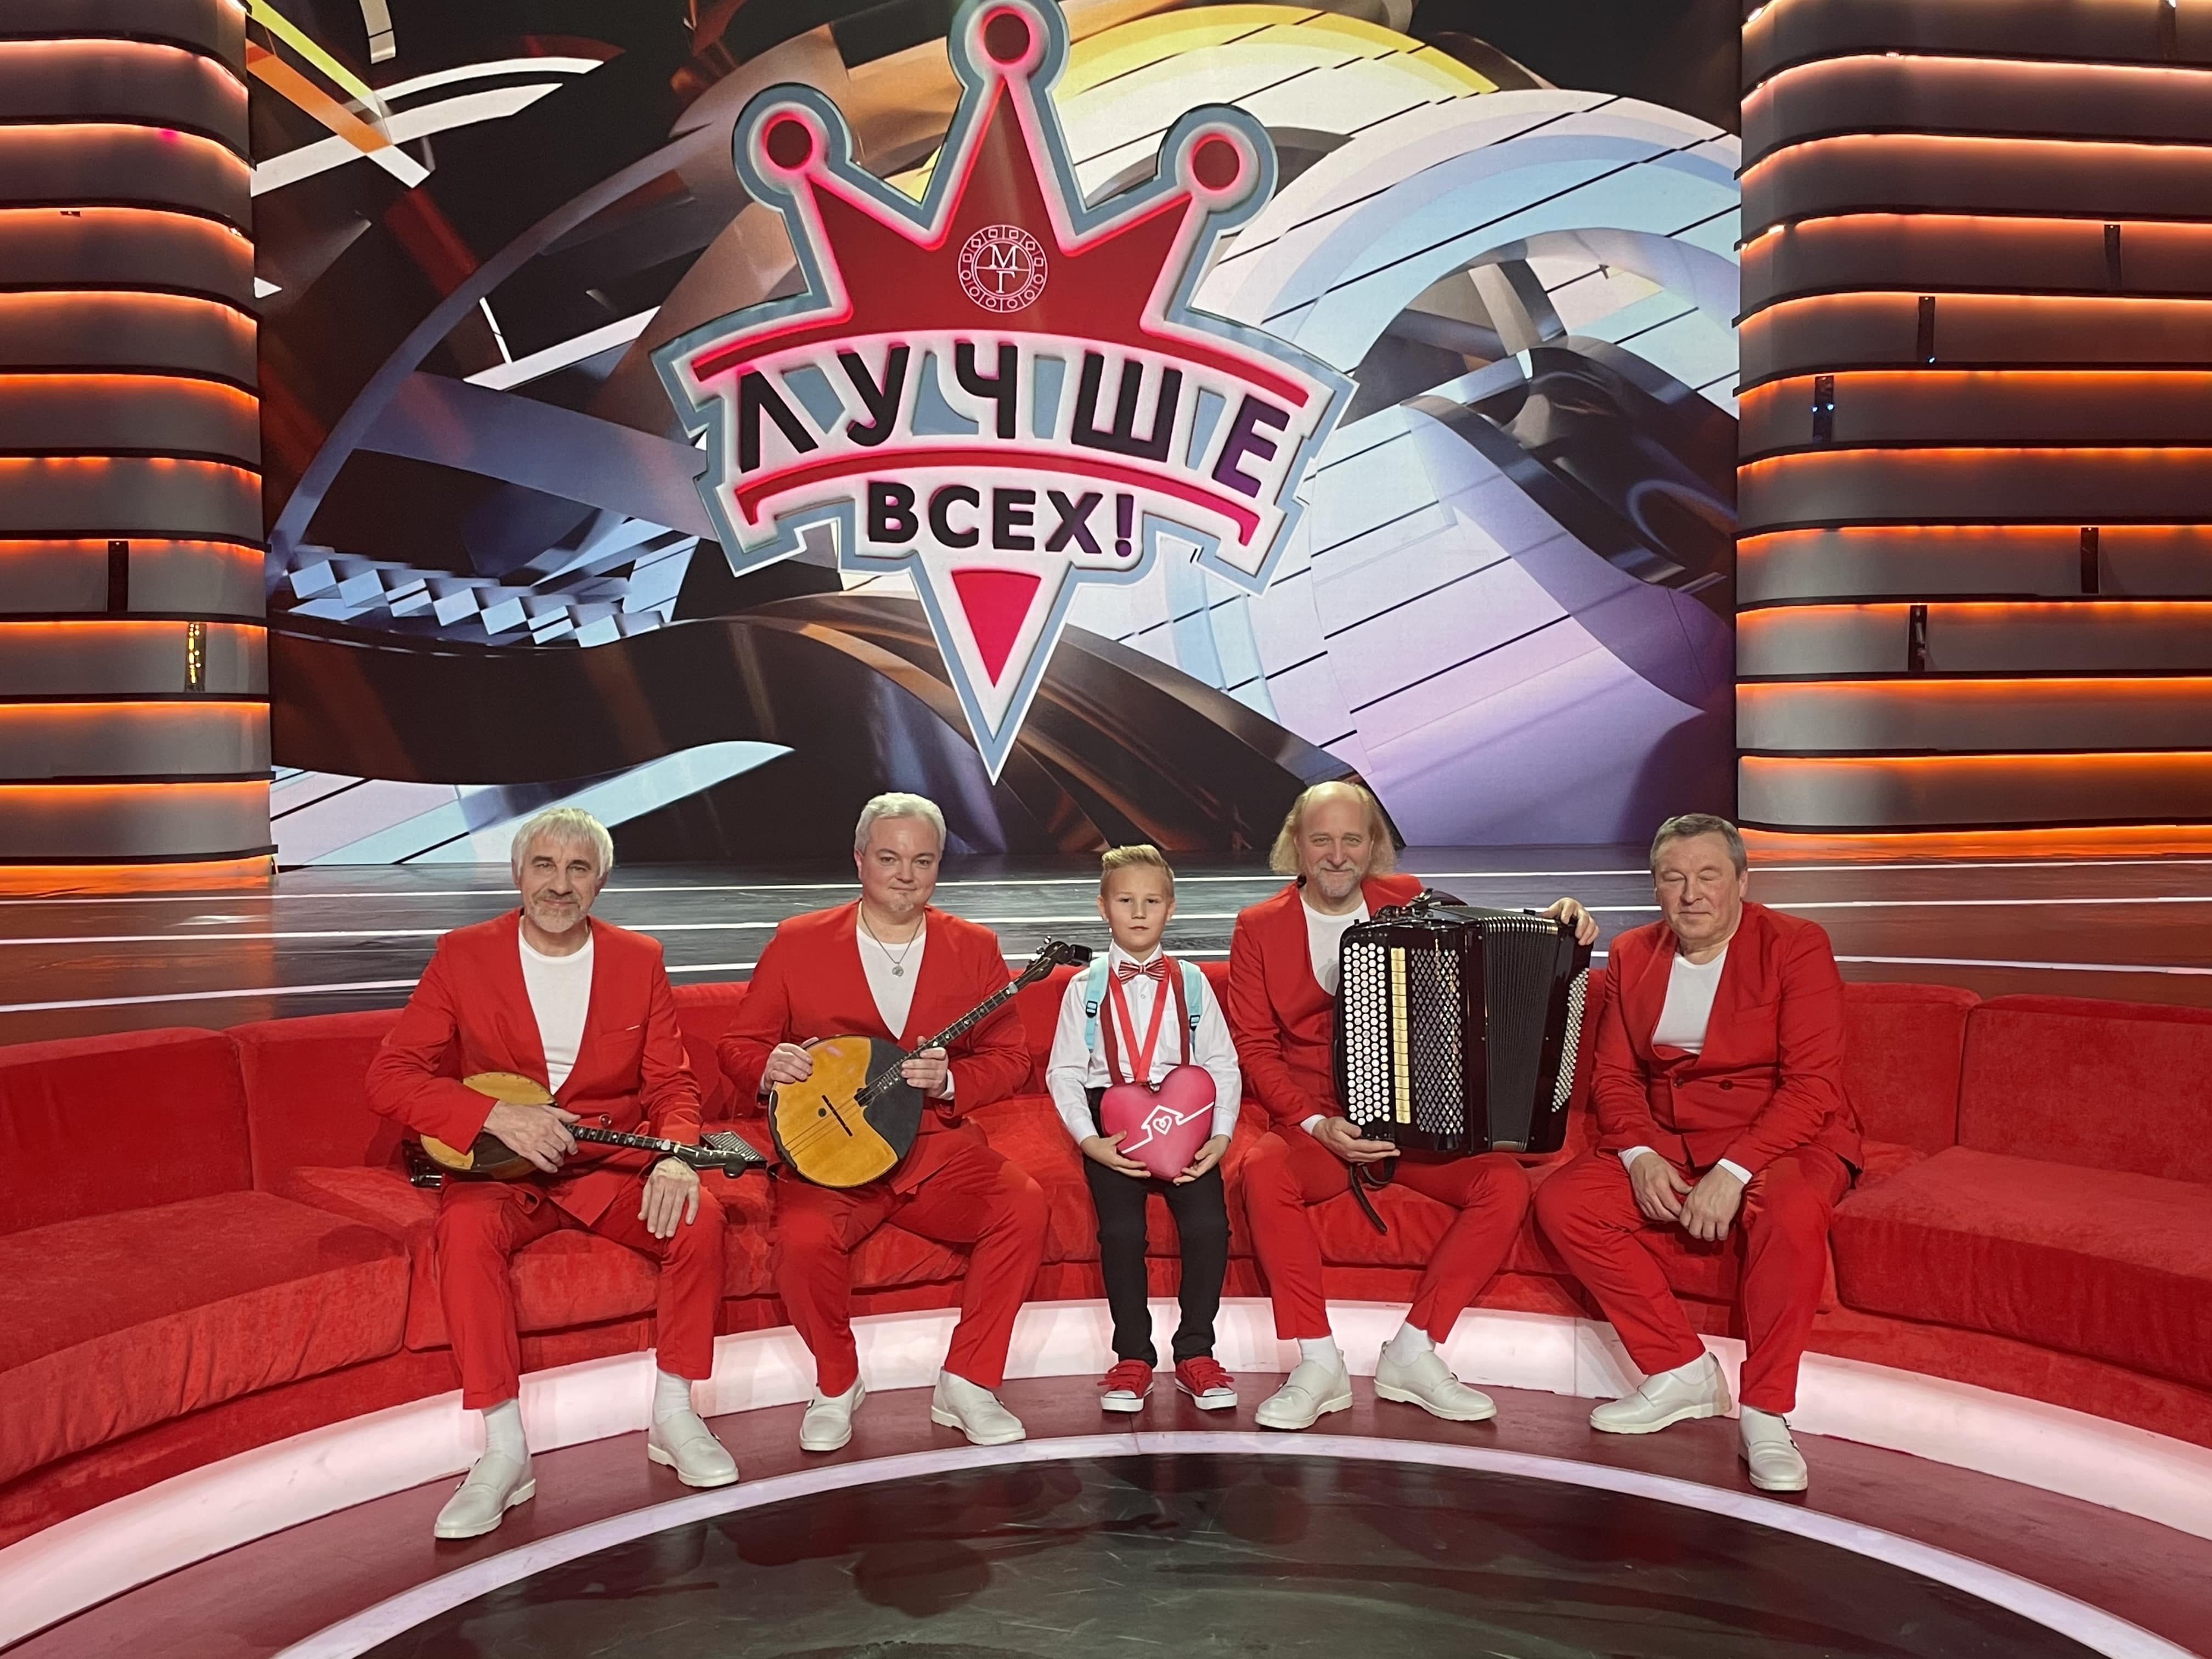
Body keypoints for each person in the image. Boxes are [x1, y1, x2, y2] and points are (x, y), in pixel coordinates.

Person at [365, 807, 737, 1541]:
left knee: (701, 1219)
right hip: (502, 1171)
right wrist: (492, 1115)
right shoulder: (463, 955)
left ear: (600, 882)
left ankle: (675, 1416)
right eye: (544, 866)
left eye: (577, 869)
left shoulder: (639, 959)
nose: (559, 885)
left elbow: (672, 1085)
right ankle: (503, 1450)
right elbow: (389, 1077)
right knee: (463, 1232)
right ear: (517, 874)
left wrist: (676, 1154)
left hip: (604, 1165)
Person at [1226, 781, 1597, 1430]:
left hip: (1418, 1122)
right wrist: (1319, 1125)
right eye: (1321, 840)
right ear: (1296, 846)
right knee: (1263, 1171)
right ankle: (1318, 1363)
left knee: (1503, 1184)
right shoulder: (1258, 927)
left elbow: (1483, 938)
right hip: (1320, 1123)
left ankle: (1414, 1352)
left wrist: (1555, 918)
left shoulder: (1407, 898)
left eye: (1352, 840)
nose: (1337, 855)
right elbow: (1255, 1049)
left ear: (1372, 845)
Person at [1532, 814, 1859, 1493]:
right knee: (1566, 1203)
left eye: (1709, 876)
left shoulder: (1796, 945)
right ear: (1654, 887)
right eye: (1673, 879)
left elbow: (1812, 1088)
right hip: (1672, 1138)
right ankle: (1680, 1370)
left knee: (1792, 1213)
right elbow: (1615, 1077)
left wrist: (1735, 1170)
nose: (1691, 894)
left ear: (1742, 881)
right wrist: (1639, 1153)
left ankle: (1766, 1412)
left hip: (1783, 1136)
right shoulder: (1633, 953)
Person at [718, 793, 1048, 1452]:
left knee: (1022, 1205)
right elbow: (738, 1046)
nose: (906, 875)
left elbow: (1011, 1058)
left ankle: (968, 1381)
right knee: (803, 1241)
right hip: (830, 1155)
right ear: (860, 860)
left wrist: (950, 1080)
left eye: (923, 861)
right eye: (890, 858)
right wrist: (768, 1065)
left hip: (932, 1147)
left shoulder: (973, 946)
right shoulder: (799, 941)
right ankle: (837, 1383)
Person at [1045, 845, 1242, 1412]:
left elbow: (1222, 1064)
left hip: (1182, 1114)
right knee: (1122, 1233)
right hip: (1114, 1120)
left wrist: (1221, 1135)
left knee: (1208, 1225)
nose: (1138, 912)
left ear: (1171, 909)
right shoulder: (1084, 987)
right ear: (1102, 907)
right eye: (1125, 901)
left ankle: (1196, 1352)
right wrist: (1090, 1142)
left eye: (1152, 901)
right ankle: (1132, 1356)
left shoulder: (1193, 983)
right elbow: (1064, 1072)